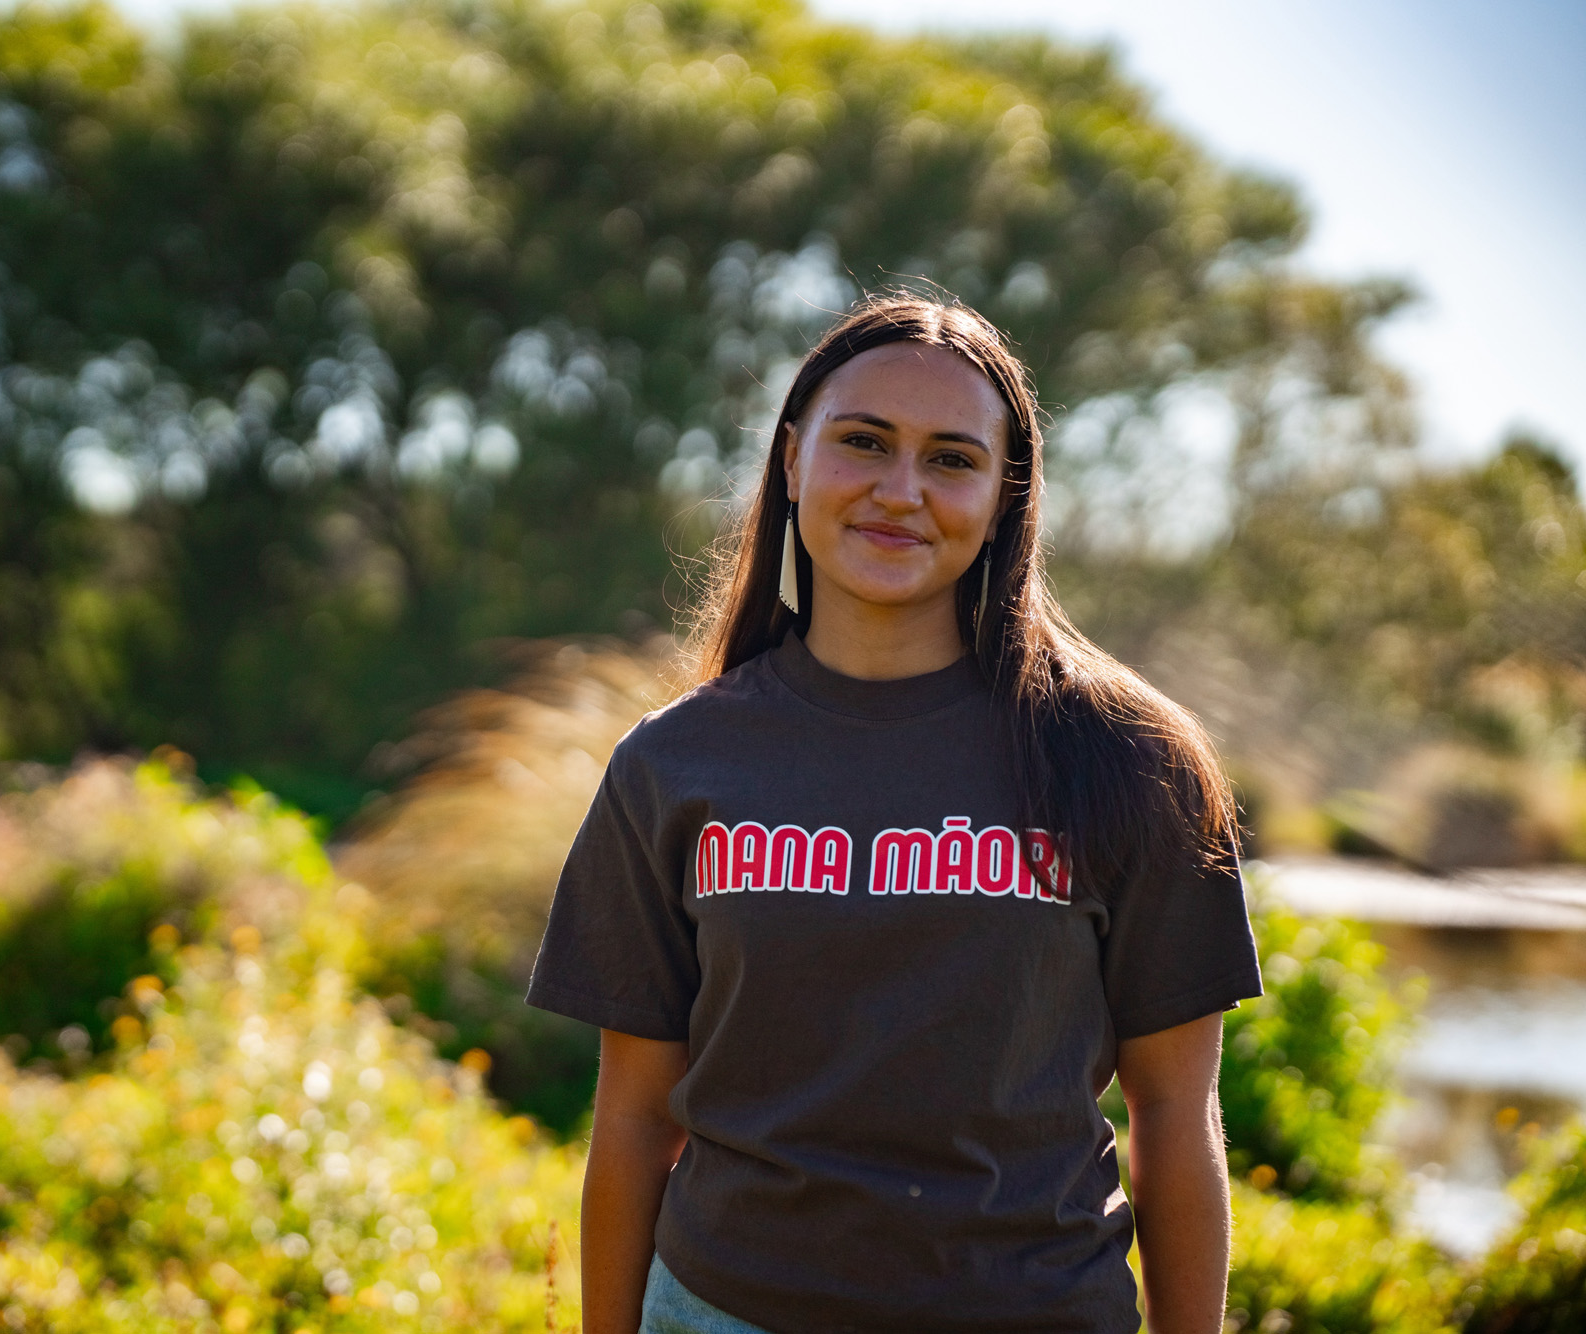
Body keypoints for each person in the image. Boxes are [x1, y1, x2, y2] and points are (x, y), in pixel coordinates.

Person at [525, 293, 1263, 1334]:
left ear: (1006, 494)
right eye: (862, 442)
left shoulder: (1130, 760)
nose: (899, 490)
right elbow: (635, 1118)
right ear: (791, 461)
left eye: (951, 459)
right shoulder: (673, 762)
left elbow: (1174, 1116)